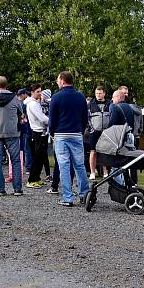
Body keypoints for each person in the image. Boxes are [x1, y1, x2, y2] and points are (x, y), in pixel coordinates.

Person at [48, 71, 90, 207]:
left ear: (62, 81)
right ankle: (84, 194)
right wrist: (80, 130)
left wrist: (52, 132)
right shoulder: (80, 97)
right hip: (76, 134)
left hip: (61, 134)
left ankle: (67, 197)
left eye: (57, 80)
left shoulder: (56, 97)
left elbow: (52, 119)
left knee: (64, 166)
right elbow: (85, 118)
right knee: (79, 165)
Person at [0, 76, 24, 196]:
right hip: (12, 132)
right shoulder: (14, 98)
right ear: (6, 85)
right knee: (15, 160)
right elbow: (21, 113)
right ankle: (17, 189)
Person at [25, 84, 49, 189]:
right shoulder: (33, 104)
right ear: (32, 92)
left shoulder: (35, 103)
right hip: (38, 132)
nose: (40, 93)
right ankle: (31, 180)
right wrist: (52, 122)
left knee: (41, 157)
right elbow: (42, 118)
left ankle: (37, 178)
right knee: (37, 157)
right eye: (38, 91)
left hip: (41, 132)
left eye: (40, 91)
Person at [87, 86, 111, 179]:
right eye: (97, 93)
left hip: (105, 132)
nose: (98, 95)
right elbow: (87, 117)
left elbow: (112, 116)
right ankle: (92, 172)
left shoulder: (110, 103)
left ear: (104, 93)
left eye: (100, 93)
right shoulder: (90, 104)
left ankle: (105, 172)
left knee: (104, 152)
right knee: (93, 152)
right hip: (94, 132)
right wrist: (91, 129)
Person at [16, 88, 32, 174]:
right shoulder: (25, 103)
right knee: (26, 148)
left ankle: (26, 166)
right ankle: (27, 167)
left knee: (23, 148)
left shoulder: (23, 103)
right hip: (25, 128)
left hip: (22, 128)